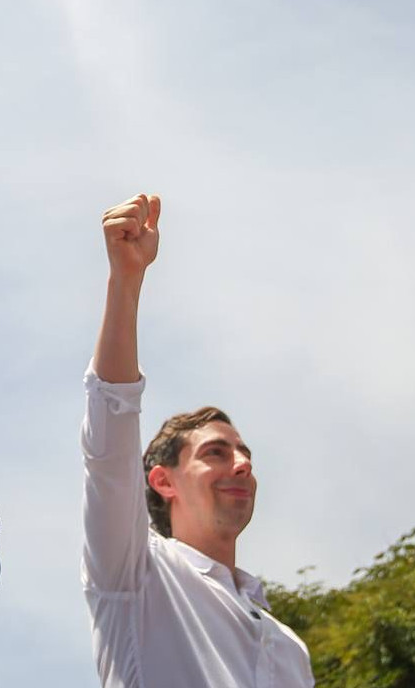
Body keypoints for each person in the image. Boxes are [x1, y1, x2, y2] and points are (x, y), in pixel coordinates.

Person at [81, 194, 313, 687]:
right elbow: (109, 445)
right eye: (216, 453)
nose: (242, 465)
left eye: (245, 454)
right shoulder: (136, 572)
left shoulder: (290, 649)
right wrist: (126, 281)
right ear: (163, 480)